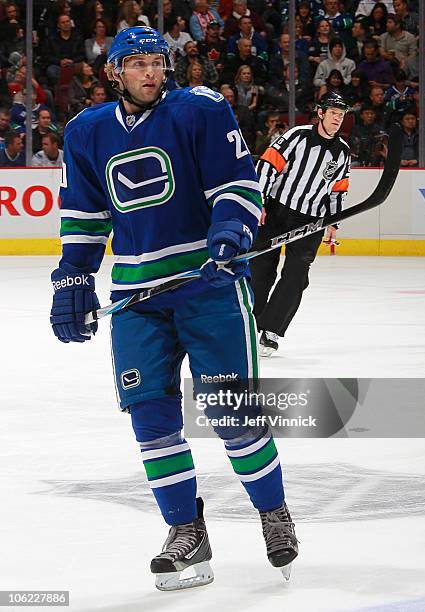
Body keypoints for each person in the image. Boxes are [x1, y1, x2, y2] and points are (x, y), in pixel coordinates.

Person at [49, 26, 298, 591]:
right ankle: (186, 529)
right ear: (113, 72)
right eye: (136, 63)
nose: (151, 72)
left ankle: (273, 512)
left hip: (206, 288)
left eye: (158, 62)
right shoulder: (85, 132)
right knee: (152, 421)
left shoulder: (201, 109)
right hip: (138, 298)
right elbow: (84, 220)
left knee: (230, 413)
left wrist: (231, 229)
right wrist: (71, 280)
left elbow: (237, 182)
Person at [250, 92, 350, 356]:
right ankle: (250, 324)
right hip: (275, 212)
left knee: (296, 275)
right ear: (320, 113)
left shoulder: (343, 152)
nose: (338, 119)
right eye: (334, 114)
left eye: (341, 116)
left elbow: (338, 191)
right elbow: (267, 166)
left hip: (311, 221)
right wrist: (259, 202)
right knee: (260, 269)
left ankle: (270, 330)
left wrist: (332, 224)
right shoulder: (297, 136)